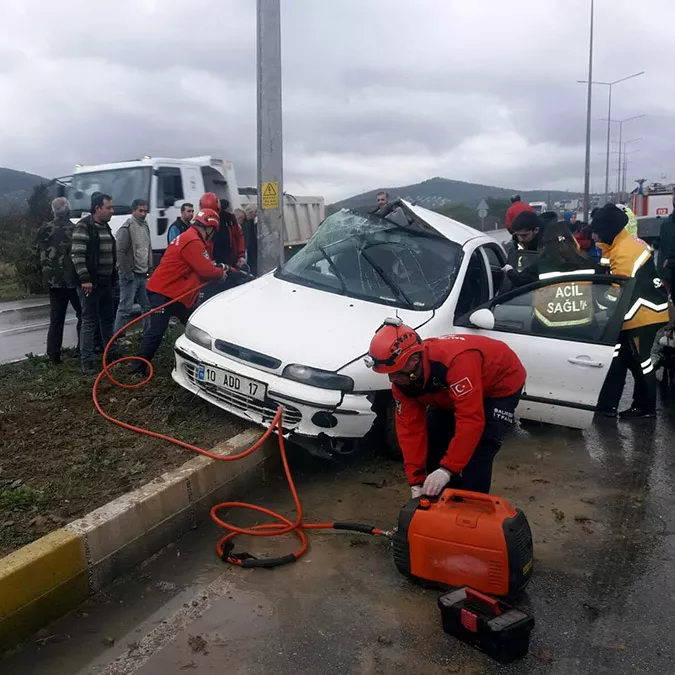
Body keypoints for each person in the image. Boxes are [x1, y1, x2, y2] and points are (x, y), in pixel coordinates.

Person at [364, 318, 526, 497]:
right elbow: (410, 431)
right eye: (388, 374)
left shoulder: (456, 361)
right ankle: (447, 502)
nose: (392, 380)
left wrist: (447, 470)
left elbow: (471, 420)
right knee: (435, 445)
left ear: (413, 360)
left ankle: (472, 510)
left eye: (395, 372)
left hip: (499, 384)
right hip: (449, 390)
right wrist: (416, 480)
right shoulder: (403, 383)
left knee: (479, 452)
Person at [129, 208, 227, 375]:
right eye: (213, 231)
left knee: (196, 326)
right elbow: (206, 271)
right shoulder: (193, 241)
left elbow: (201, 266)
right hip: (163, 293)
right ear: (209, 228)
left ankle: (202, 362)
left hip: (176, 295)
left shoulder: (190, 237)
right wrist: (220, 273)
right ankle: (136, 370)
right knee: (156, 332)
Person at [593, 204, 669, 419]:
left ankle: (646, 408)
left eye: (598, 230)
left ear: (609, 229)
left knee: (641, 361)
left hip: (643, 314)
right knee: (623, 357)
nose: (595, 234)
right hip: (637, 311)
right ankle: (609, 405)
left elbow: (617, 290)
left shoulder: (625, 253)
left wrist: (598, 307)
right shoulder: (619, 244)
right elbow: (607, 274)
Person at [71, 192, 117, 372]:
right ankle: (87, 361)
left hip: (105, 282)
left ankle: (111, 353)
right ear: (97, 208)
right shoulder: (84, 227)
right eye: (108, 208)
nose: (111, 211)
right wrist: (85, 279)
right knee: (89, 321)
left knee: (107, 319)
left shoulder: (105, 227)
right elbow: (77, 255)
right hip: (90, 284)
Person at [35, 197, 82, 364]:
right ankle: (81, 349)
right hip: (72, 280)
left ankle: (53, 354)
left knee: (56, 318)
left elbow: (36, 251)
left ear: (53, 210)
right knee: (82, 314)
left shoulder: (44, 229)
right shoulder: (74, 229)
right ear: (68, 210)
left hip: (53, 281)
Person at [113, 199, 152, 333]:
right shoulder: (127, 227)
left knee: (146, 306)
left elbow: (148, 248)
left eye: (145, 211)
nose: (143, 214)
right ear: (133, 210)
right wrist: (127, 273)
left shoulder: (145, 226)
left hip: (142, 274)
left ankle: (148, 334)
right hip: (131, 275)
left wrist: (150, 267)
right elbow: (120, 252)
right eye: (140, 211)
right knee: (125, 308)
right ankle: (116, 338)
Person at [503, 211, 542, 281]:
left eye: (524, 235)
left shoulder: (547, 245)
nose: (520, 239)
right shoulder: (515, 242)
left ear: (536, 230)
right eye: (517, 235)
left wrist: (510, 272)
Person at [242, 205, 258, 275]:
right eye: (255, 212)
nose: (256, 214)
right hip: (249, 250)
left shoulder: (250, 223)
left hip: (251, 249)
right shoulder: (247, 224)